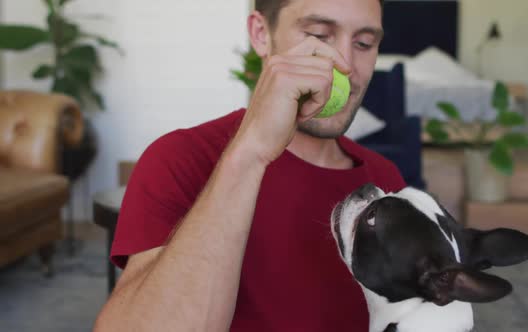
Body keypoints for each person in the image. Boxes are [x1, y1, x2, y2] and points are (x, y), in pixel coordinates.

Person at [94, 0, 406, 331]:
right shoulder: (179, 159)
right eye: (319, 35)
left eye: (364, 44)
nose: (346, 66)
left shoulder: (384, 179)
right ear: (261, 34)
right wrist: (251, 152)